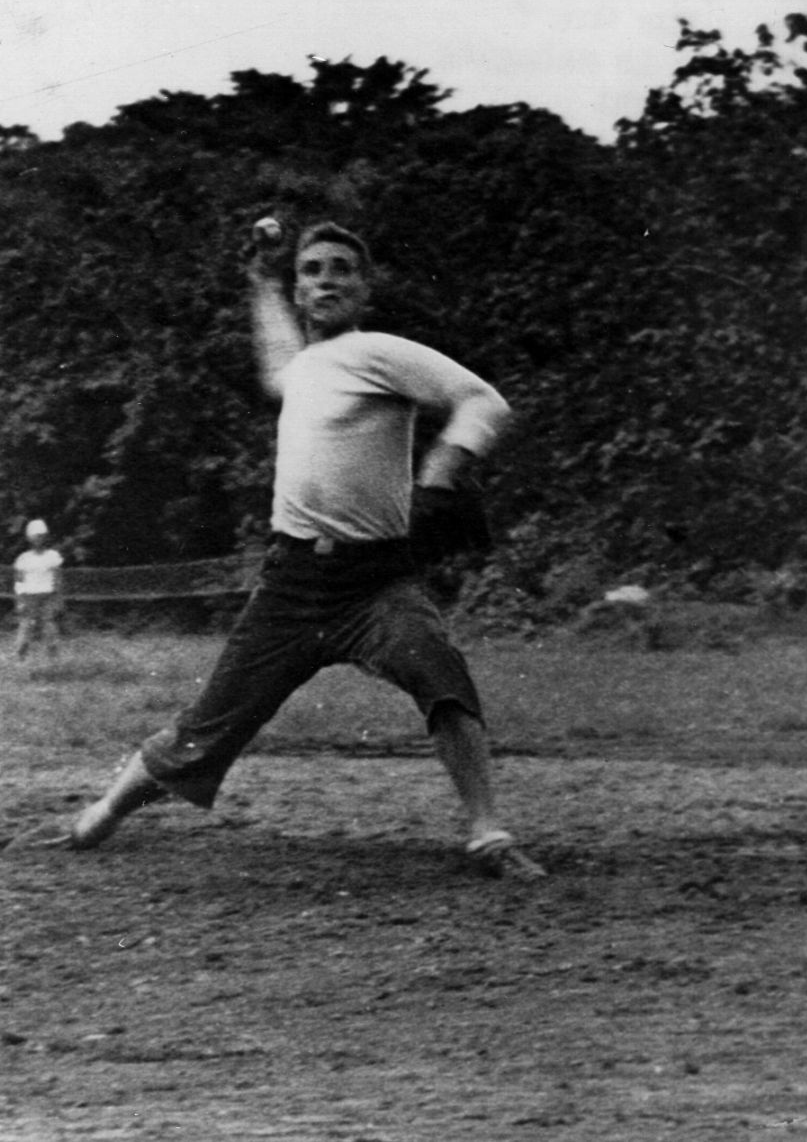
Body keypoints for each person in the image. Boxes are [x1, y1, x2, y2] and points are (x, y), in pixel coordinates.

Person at [12, 220, 545, 876]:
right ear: (299, 292)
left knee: (441, 679)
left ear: (364, 287)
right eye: (313, 270)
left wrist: (439, 471)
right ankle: (97, 819)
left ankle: (487, 831)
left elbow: (483, 402)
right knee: (207, 725)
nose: (327, 280)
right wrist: (259, 277)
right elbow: (275, 363)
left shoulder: (379, 351)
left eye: (342, 269)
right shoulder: (302, 369)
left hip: (372, 581)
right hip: (292, 585)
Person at [12, 519, 64, 659]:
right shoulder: (23, 558)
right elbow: (19, 581)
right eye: (36, 536)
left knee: (49, 626)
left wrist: (58, 599)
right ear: (30, 538)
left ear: (46, 537)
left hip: (48, 596)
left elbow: (58, 579)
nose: (39, 539)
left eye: (42, 535)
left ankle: (53, 657)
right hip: (29, 597)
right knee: (26, 626)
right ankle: (20, 656)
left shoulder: (53, 556)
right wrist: (20, 601)